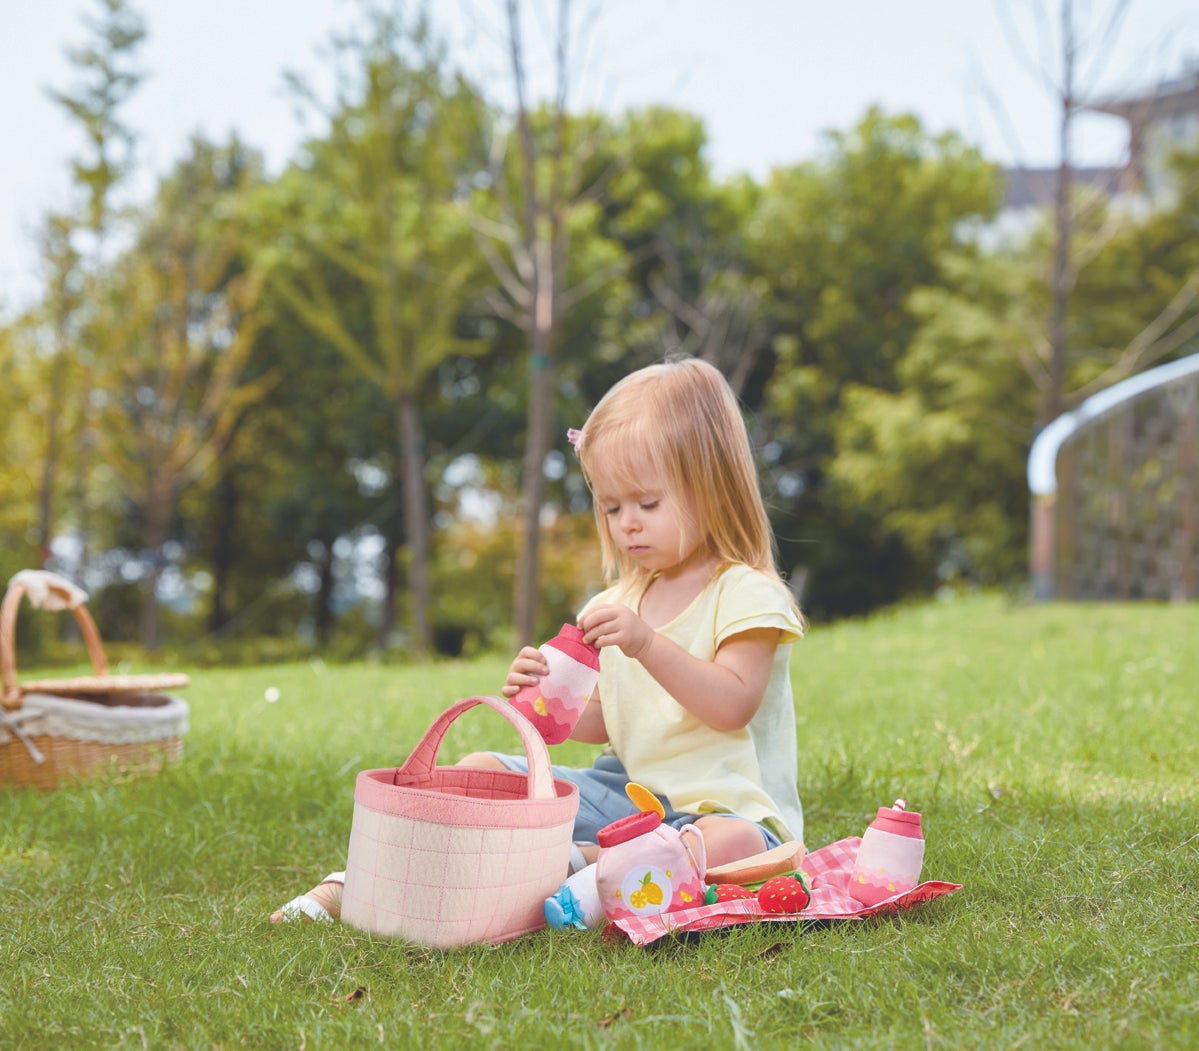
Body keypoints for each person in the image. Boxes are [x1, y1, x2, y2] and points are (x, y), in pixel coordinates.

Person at [271, 356, 804, 924]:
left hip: (723, 808)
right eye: (611, 506)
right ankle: (365, 880)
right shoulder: (613, 603)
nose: (627, 522)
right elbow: (602, 721)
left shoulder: (746, 593)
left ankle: (569, 867)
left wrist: (648, 645)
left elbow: (731, 705)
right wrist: (545, 697)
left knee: (737, 846)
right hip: (627, 793)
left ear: (714, 489)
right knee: (482, 768)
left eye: (648, 503)